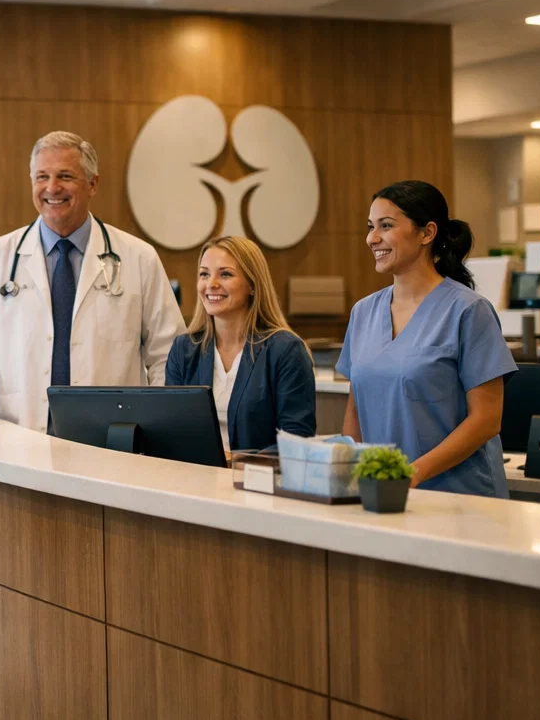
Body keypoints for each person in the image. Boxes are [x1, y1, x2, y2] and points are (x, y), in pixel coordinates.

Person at [0, 131, 184, 430]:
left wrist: (161, 425)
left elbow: (167, 354)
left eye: (65, 176)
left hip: (114, 441)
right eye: (41, 176)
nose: (52, 187)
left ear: (93, 184)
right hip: (21, 437)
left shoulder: (139, 258)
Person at [338, 180, 516, 497]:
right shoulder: (364, 312)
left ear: (427, 233)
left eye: (386, 226)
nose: (372, 238)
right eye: (370, 227)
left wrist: (410, 475)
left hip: (461, 497)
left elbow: (487, 420)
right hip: (385, 495)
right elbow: (355, 410)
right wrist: (353, 477)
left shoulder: (468, 311)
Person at [165, 236, 315, 453]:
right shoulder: (184, 349)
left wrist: (232, 464)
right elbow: (173, 430)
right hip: (194, 480)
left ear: (253, 285)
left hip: (259, 482)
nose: (211, 284)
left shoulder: (286, 350)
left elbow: (297, 440)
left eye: (225, 274)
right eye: (204, 274)